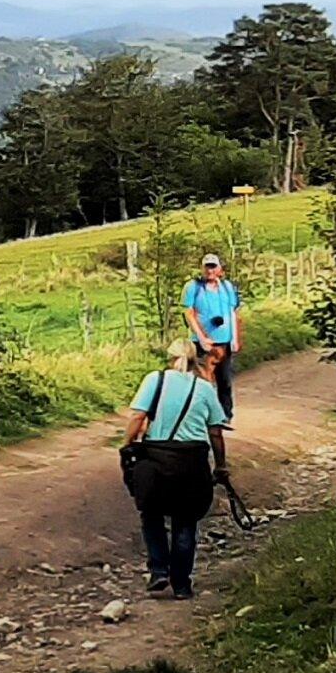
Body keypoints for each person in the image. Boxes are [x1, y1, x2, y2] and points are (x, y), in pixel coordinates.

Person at [122, 338, 228, 599]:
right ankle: (181, 584)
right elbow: (215, 431)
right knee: (186, 520)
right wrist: (221, 466)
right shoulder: (204, 388)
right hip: (192, 461)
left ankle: (159, 569)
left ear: (170, 357)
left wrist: (127, 444)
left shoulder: (155, 380)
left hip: (156, 458)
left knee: (151, 514)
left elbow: (137, 416)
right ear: (194, 361)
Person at [182, 251, 242, 431]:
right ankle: (201, 418)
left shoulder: (227, 287)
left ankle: (224, 416)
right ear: (202, 268)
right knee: (203, 382)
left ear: (219, 269)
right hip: (203, 344)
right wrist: (201, 337)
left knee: (225, 381)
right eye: (207, 267)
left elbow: (233, 312)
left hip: (224, 342)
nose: (210, 271)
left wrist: (235, 338)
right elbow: (188, 313)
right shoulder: (193, 287)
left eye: (213, 267)